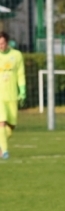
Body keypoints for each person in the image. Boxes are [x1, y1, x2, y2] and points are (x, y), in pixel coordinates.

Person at [0, 31, 26, 160]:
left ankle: (1, 147)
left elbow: (20, 74)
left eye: (2, 43)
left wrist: (22, 90)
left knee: (11, 127)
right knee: (1, 122)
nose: (0, 46)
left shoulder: (17, 55)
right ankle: (5, 152)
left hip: (12, 96)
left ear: (7, 42)